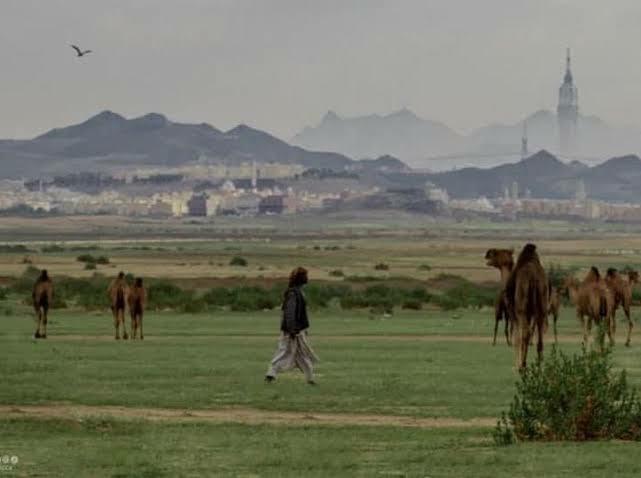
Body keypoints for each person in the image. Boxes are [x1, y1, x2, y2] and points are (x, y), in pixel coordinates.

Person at [265, 267, 318, 384]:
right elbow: (290, 313)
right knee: (284, 352)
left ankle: (310, 378)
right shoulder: (294, 294)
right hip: (292, 331)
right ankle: (271, 372)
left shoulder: (296, 292)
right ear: (301, 278)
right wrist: (292, 329)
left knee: (302, 354)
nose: (307, 278)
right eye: (305, 276)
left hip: (297, 330)